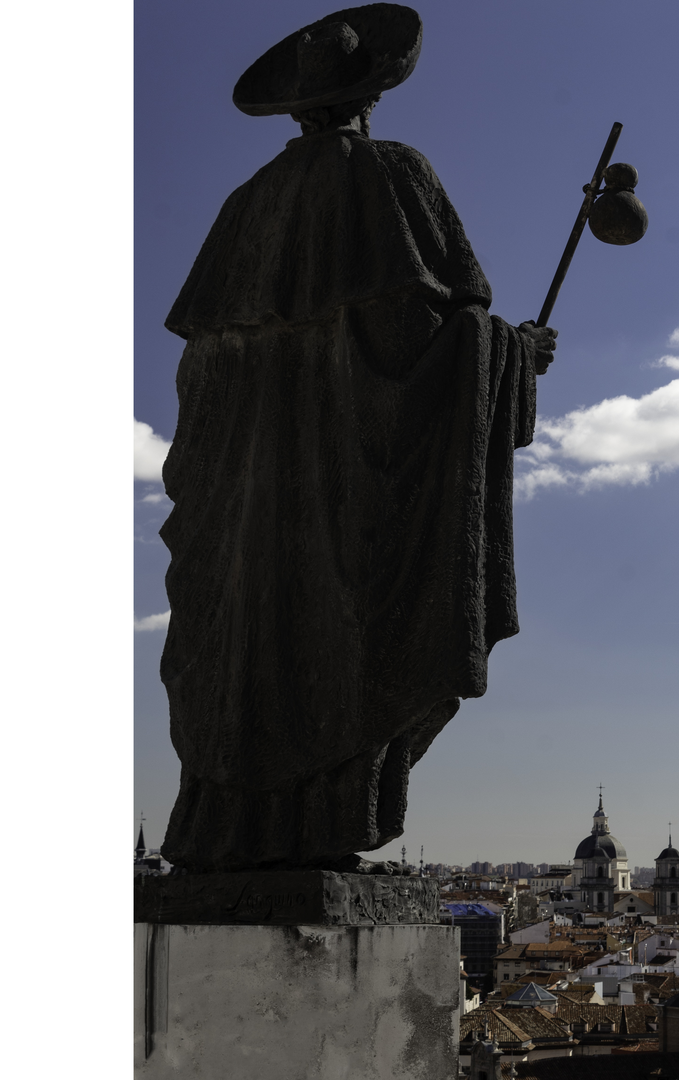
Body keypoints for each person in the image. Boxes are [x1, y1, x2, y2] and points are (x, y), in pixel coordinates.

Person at [159, 5, 556, 873]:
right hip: (347, 499)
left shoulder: (243, 209)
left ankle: (234, 831)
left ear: (298, 109)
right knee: (351, 640)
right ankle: (318, 824)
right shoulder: (391, 176)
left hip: (245, 512)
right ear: (370, 97)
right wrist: (511, 356)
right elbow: (433, 342)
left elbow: (202, 384)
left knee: (254, 644)